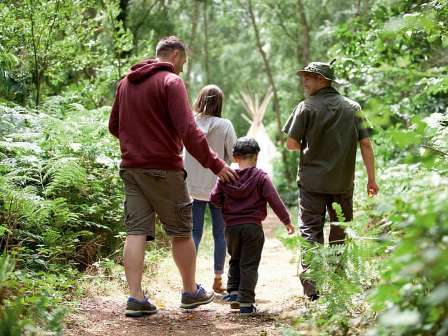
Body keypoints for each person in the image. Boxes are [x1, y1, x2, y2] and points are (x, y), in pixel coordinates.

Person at [108, 36, 237, 317]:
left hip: (131, 168)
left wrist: (137, 142)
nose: (182, 69)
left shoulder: (126, 83)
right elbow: (189, 132)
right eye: (184, 63)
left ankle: (135, 297)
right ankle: (190, 291)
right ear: (176, 56)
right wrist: (216, 165)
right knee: (181, 231)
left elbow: (114, 125)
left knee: (135, 231)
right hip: (164, 169)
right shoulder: (171, 82)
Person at [282, 61, 379, 300]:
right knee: (339, 231)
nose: (304, 81)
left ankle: (312, 285)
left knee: (310, 231)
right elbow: (366, 144)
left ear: (323, 80)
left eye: (309, 77)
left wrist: (311, 143)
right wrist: (371, 179)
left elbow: (292, 144)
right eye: (304, 76)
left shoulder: (305, 108)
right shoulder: (353, 107)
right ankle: (338, 283)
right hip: (342, 183)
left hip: (312, 184)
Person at [210, 137, 295, 314]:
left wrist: (228, 207)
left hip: (231, 228)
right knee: (249, 264)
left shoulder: (225, 177)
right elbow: (274, 200)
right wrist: (286, 220)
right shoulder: (261, 177)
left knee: (235, 258)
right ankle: (246, 303)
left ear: (235, 158)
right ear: (256, 157)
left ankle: (233, 294)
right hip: (252, 228)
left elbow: (214, 199)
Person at [184, 84, 237, 294]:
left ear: (199, 99)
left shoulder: (189, 124)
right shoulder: (225, 125)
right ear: (220, 103)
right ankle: (217, 278)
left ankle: (189, 281)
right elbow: (234, 156)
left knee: (194, 234)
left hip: (190, 187)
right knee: (219, 234)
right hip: (218, 187)